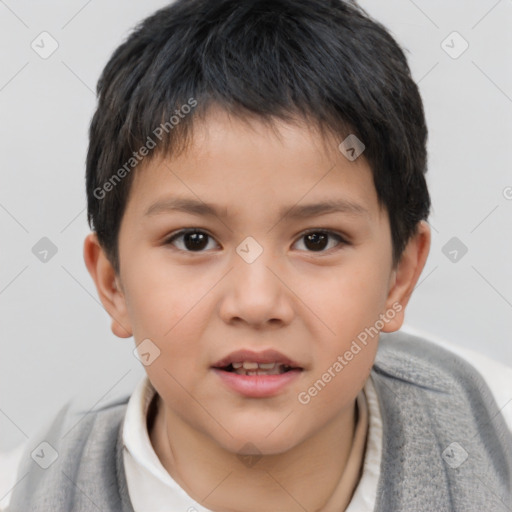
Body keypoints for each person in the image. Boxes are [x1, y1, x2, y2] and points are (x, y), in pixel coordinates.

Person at [4, 0, 512, 510]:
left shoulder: (496, 436)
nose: (255, 302)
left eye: (317, 240)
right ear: (113, 283)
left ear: (399, 277)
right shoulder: (26, 493)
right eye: (194, 240)